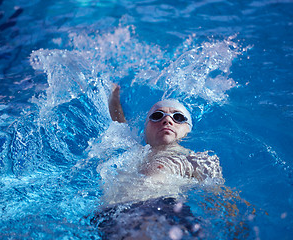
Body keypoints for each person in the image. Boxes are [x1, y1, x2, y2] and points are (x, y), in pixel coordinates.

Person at [91, 84, 224, 239]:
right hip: (108, 215)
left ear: (188, 130)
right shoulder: (131, 148)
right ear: (146, 128)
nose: (167, 120)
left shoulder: (196, 159)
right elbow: (118, 122)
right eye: (157, 116)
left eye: (178, 117)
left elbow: (218, 195)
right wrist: (114, 95)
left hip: (157, 209)